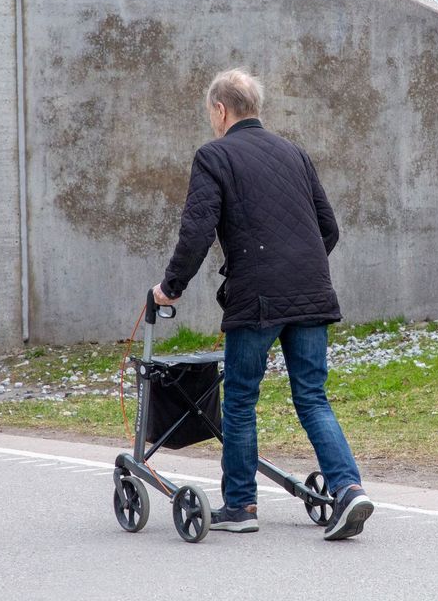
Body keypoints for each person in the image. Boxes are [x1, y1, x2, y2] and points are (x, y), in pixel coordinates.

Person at [152, 68, 374, 541]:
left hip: (257, 297)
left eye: (211, 112)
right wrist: (299, 269)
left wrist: (171, 287)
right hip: (312, 293)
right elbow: (328, 228)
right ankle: (349, 489)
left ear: (220, 109)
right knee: (312, 396)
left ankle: (240, 505)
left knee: (240, 400)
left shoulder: (214, 156)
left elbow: (197, 231)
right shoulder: (295, 153)